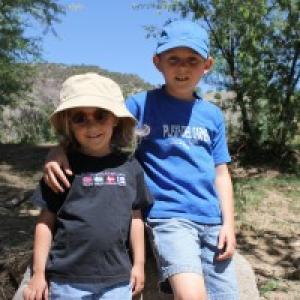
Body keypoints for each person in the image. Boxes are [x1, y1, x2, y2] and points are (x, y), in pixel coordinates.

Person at [43, 20, 239, 300]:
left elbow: (221, 172)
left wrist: (228, 224)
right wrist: (58, 150)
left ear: (207, 65)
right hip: (170, 217)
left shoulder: (212, 115)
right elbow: (98, 126)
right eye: (173, 59)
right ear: (157, 62)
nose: (182, 68)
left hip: (212, 219)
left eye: (192, 60)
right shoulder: (141, 104)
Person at [23, 73, 152, 300]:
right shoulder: (60, 168)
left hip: (117, 280)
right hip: (67, 280)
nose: (91, 125)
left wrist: (139, 264)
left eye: (101, 115)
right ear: (68, 123)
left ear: (115, 118)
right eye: (79, 118)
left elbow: (136, 218)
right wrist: (39, 273)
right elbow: (45, 221)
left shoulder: (130, 167)